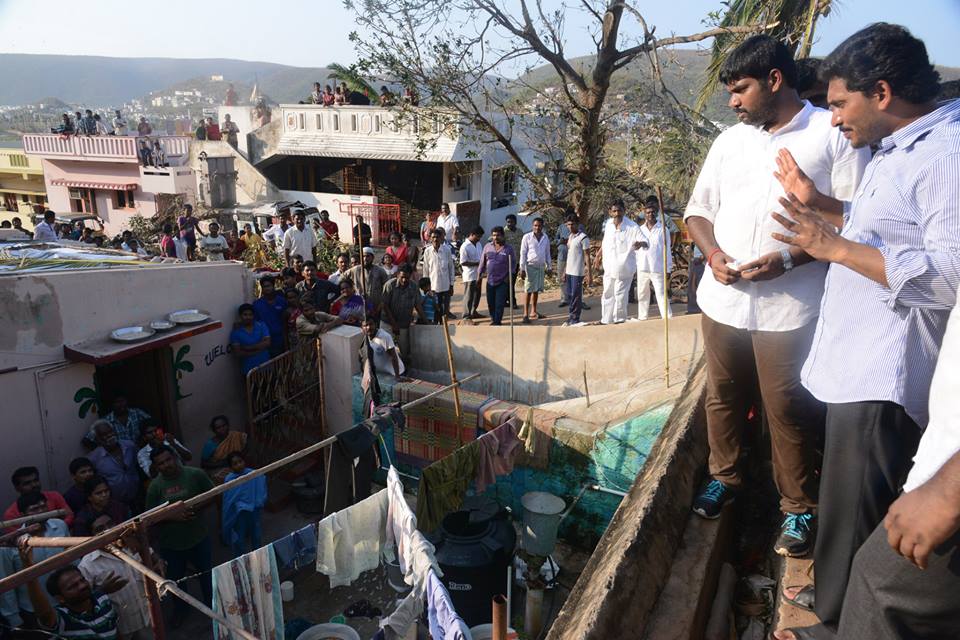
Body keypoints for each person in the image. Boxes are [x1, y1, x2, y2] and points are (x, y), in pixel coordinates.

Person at [767, 24, 960, 637]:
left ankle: (836, 626)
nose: (832, 121)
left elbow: (951, 277)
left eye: (839, 104)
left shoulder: (945, 155)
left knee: (855, 518)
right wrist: (822, 205)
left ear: (881, 92)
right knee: (848, 509)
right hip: (858, 365)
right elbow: (892, 230)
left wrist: (836, 249)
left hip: (885, 372)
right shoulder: (902, 149)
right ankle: (840, 615)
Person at [684, 34, 868, 557]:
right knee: (722, 397)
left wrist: (788, 260)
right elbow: (697, 212)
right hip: (723, 303)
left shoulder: (830, 136)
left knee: (786, 408)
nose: (732, 101)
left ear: (775, 80)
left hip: (793, 307)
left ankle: (797, 508)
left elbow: (857, 225)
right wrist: (715, 255)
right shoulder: (729, 142)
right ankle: (725, 478)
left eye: (740, 89)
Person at [145, 446, 214, 621]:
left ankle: (213, 605)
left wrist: (194, 509)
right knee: (176, 581)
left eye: (168, 460)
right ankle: (182, 610)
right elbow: (149, 519)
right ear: (156, 467)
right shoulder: (155, 487)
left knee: (207, 574)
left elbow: (213, 495)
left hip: (198, 537)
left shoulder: (195, 474)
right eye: (161, 463)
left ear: (174, 458)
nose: (166, 465)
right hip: (171, 545)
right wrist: (171, 517)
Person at [1, 503, 76, 634]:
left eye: (43, 507)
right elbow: (7, 585)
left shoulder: (59, 525)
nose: (41, 511)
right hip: (32, 610)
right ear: (23, 515)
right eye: (35, 508)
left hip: (67, 601)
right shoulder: (10, 544)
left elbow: (73, 559)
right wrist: (14, 618)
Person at [78, 516, 154, 639]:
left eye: (110, 524)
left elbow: (152, 558)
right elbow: (84, 601)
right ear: (92, 535)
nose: (108, 530)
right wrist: (102, 591)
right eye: (100, 529)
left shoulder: (132, 543)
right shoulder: (88, 564)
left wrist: (158, 561)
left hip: (148, 617)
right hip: (120, 627)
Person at [595, 199, 641, 324]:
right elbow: (605, 242)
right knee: (607, 292)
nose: (617, 213)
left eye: (619, 210)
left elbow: (644, 240)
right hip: (609, 266)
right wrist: (598, 256)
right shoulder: (609, 224)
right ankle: (606, 320)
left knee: (620, 294)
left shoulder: (633, 226)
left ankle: (619, 320)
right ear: (610, 212)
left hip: (624, 267)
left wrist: (640, 243)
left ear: (624, 211)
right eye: (614, 211)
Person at [634, 196, 674, 321]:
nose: (650, 214)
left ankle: (667, 317)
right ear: (644, 214)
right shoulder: (640, 230)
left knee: (661, 294)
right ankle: (643, 317)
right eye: (647, 212)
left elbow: (667, 249)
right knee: (642, 294)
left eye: (652, 212)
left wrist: (668, 268)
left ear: (656, 213)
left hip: (657, 267)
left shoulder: (663, 229)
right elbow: (635, 249)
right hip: (643, 267)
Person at [222, 451, 267, 557]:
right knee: (239, 539)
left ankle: (259, 558)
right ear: (230, 467)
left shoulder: (253, 474)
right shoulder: (229, 480)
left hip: (253, 512)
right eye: (235, 463)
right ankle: (241, 561)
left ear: (244, 461)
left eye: (240, 461)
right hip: (239, 514)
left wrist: (255, 503)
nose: (239, 465)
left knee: (256, 535)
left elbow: (261, 491)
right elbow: (229, 501)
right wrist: (241, 506)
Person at [87, 421, 140, 509]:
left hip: (138, 496)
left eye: (111, 432)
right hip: (115, 505)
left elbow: (139, 465)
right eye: (104, 434)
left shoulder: (129, 446)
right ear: (97, 439)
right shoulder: (94, 458)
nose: (109, 435)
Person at [3, 467, 73, 529]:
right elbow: (16, 537)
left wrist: (55, 529)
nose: (34, 485)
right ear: (17, 488)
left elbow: (69, 516)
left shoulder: (54, 496)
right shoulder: (11, 514)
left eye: (36, 480)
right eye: (27, 483)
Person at [479, 226, 517, 326]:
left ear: (503, 236)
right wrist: (479, 275)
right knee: (490, 303)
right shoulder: (487, 247)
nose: (495, 237)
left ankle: (497, 321)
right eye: (494, 235)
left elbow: (513, 264)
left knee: (499, 303)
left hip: (503, 281)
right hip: (490, 280)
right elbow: (482, 262)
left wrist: (509, 277)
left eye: (498, 235)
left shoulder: (508, 249)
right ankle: (493, 319)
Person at [382, 265, 422, 357]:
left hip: (403, 323)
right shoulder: (390, 285)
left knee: (405, 351)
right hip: (387, 322)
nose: (404, 280)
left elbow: (418, 305)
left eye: (407, 278)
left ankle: (403, 368)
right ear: (397, 275)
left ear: (410, 276)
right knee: (385, 349)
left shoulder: (414, 287)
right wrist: (394, 324)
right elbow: (385, 305)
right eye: (402, 277)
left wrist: (425, 321)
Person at [518, 217, 551, 323]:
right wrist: (522, 268)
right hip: (530, 266)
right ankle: (525, 314)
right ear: (532, 226)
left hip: (541, 266)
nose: (537, 227)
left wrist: (549, 267)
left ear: (542, 226)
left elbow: (547, 253)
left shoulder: (545, 237)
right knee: (528, 290)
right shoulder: (526, 237)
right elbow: (523, 253)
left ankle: (534, 311)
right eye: (535, 225)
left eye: (539, 226)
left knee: (536, 289)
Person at [562, 215, 592, 326]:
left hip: (577, 272)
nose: (570, 226)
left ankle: (575, 318)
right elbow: (569, 255)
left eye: (572, 224)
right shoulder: (570, 237)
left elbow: (587, 256)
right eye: (568, 224)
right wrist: (565, 271)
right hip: (569, 271)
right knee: (570, 295)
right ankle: (571, 317)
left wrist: (589, 274)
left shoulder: (583, 237)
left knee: (576, 295)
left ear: (577, 224)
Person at [200, 415, 248, 485]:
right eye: (218, 428)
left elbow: (245, 451)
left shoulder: (236, 436)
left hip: (237, 464)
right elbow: (203, 464)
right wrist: (223, 463)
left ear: (228, 425)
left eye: (224, 425)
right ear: (214, 430)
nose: (222, 429)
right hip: (219, 469)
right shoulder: (210, 445)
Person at [422, 228, 456, 320]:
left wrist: (452, 284)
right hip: (433, 286)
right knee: (435, 308)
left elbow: (451, 268)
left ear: (441, 238)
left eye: (437, 237)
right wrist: (426, 286)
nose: (435, 239)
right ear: (430, 239)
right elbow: (425, 269)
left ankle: (444, 322)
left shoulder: (447, 250)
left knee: (445, 308)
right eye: (433, 237)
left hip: (445, 285)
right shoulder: (427, 251)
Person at [346, 246, 389, 317]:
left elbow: (387, 289)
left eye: (368, 256)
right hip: (360, 306)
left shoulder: (380, 270)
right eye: (363, 256)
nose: (365, 259)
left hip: (376, 307)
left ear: (372, 258)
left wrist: (381, 303)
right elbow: (342, 280)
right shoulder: (355, 270)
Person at [231, 303, 271, 377]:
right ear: (240, 316)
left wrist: (248, 348)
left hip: (265, 367)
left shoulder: (261, 325)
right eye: (245, 315)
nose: (248, 317)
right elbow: (238, 353)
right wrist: (259, 349)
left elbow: (267, 343)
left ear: (253, 315)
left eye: (250, 314)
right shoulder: (236, 333)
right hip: (249, 371)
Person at [252, 275, 288, 358]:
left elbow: (286, 322)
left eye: (269, 286)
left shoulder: (282, 301)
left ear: (273, 286)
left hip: (281, 340)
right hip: (264, 342)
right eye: (264, 287)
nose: (267, 288)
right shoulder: (257, 304)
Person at [459, 226, 485, 320]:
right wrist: (477, 263)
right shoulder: (465, 246)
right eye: (478, 236)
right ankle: (466, 315)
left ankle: (473, 312)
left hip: (478, 274)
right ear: (472, 234)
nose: (479, 239)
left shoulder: (478, 244)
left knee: (477, 294)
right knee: (469, 296)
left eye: (480, 237)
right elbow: (463, 262)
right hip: (469, 275)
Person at [503, 214, 524, 309]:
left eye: (511, 222)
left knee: (512, 282)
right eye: (508, 222)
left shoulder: (520, 232)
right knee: (509, 282)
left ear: (515, 222)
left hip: (517, 261)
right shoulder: (503, 232)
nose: (509, 224)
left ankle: (507, 300)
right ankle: (512, 302)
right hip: (507, 262)